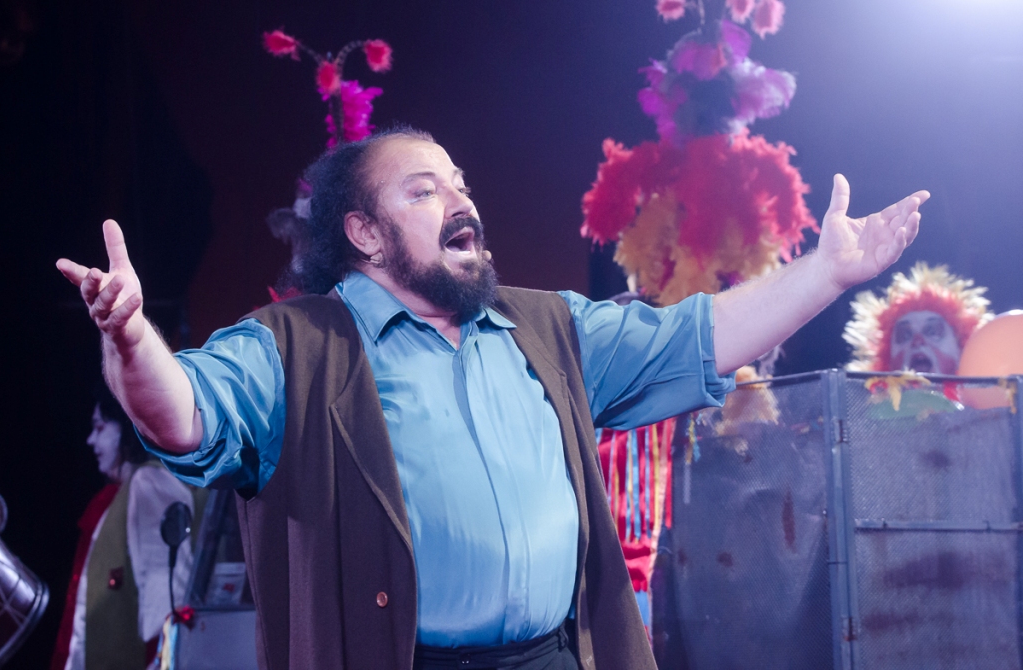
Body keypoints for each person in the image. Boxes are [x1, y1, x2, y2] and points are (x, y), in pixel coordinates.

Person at [56, 127, 928, 670]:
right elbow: (184, 415)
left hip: (553, 659)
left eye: (459, 183)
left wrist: (826, 273)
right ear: (365, 233)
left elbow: (698, 336)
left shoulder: (546, 327)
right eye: (424, 190)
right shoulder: (295, 346)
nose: (459, 199)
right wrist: (131, 339)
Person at [50, 386, 197, 670]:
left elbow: (164, 595)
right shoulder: (123, 494)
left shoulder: (150, 484)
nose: (91, 440)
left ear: (129, 428)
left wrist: (162, 660)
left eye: (100, 427)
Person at [843, 262, 992, 374]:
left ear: (961, 349)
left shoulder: (989, 406)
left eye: (933, 331)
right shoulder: (866, 407)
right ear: (888, 359)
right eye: (904, 335)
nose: (918, 342)